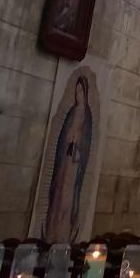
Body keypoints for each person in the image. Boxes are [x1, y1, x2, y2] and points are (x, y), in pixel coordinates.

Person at [43, 76, 93, 242]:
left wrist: (79, 140)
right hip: (65, 160)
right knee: (59, 193)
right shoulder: (71, 113)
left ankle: (65, 230)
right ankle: (52, 230)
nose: (78, 95)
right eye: (76, 91)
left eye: (81, 92)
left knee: (68, 196)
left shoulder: (87, 116)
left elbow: (86, 141)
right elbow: (62, 138)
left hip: (75, 164)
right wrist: (68, 138)